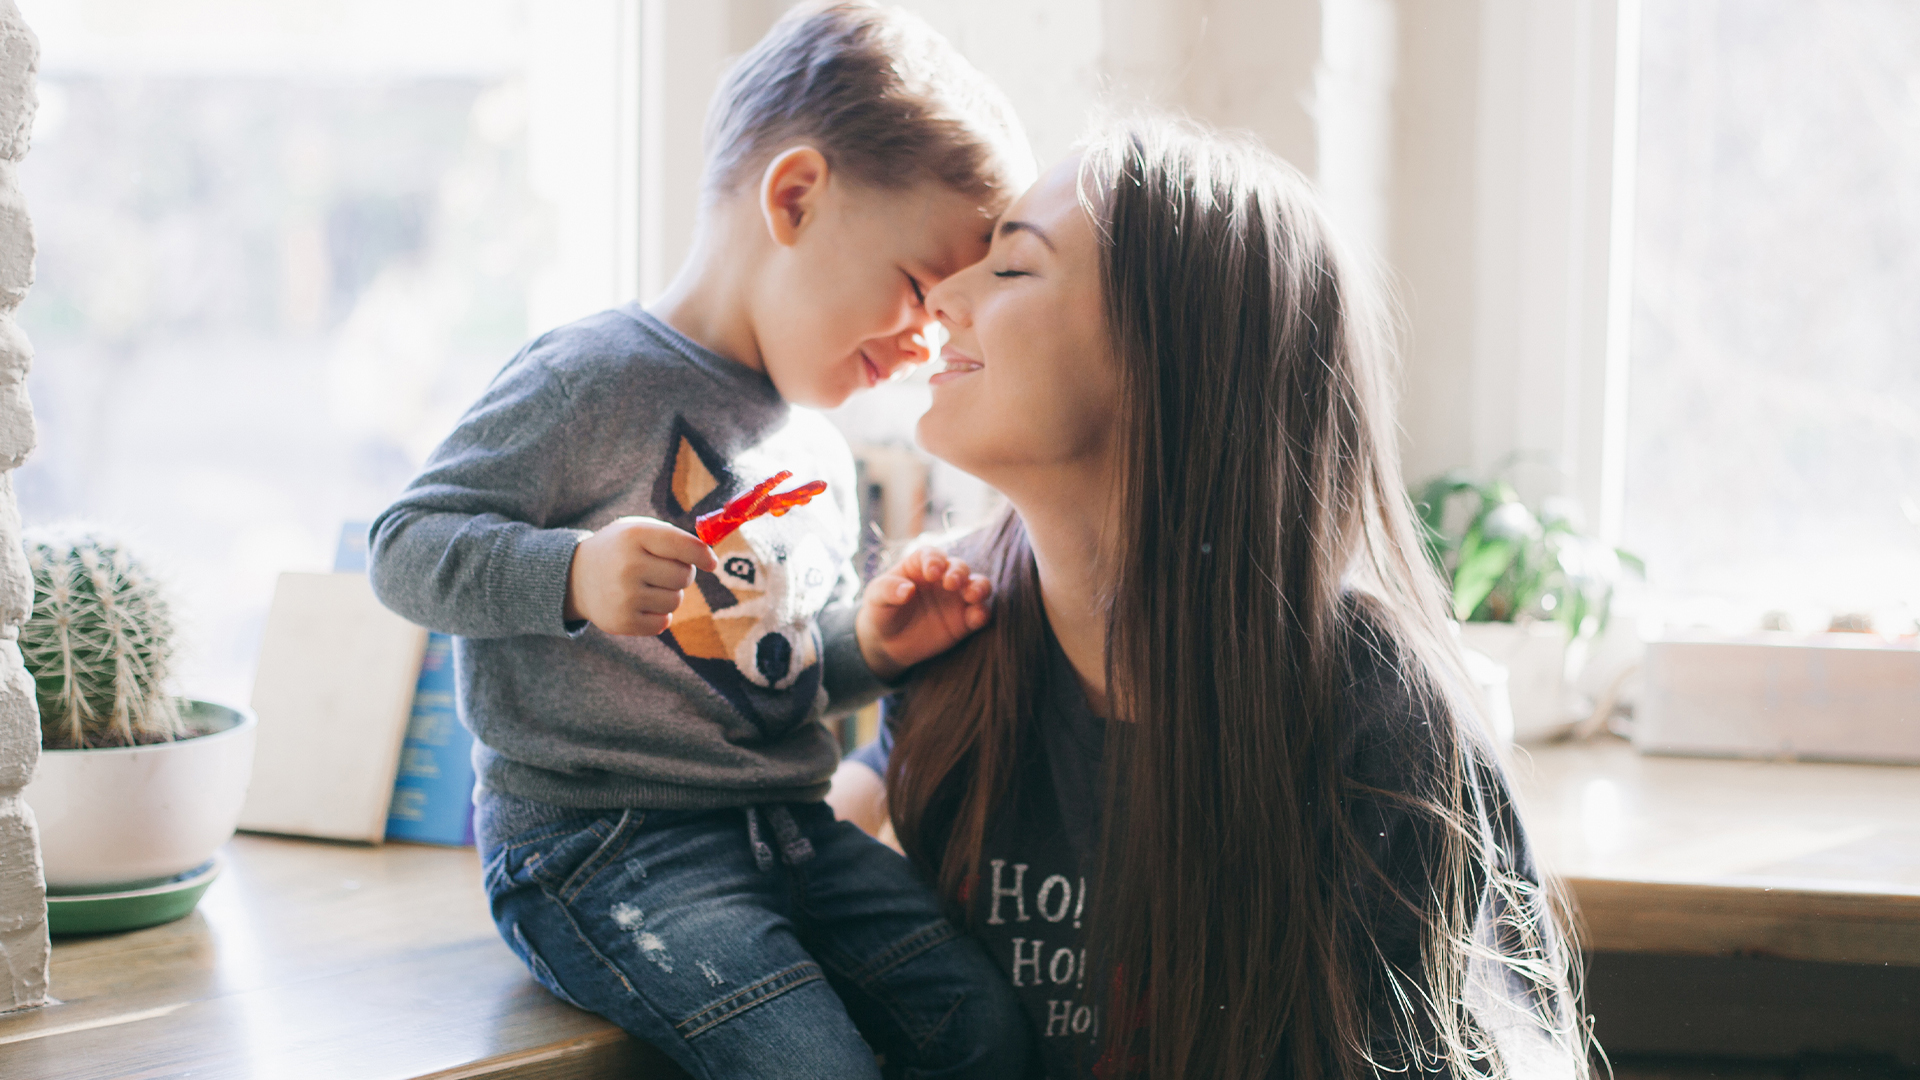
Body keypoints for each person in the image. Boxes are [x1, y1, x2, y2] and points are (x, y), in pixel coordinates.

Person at [830, 120, 1590, 1079]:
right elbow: (815, 837)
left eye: (1013, 270)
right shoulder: (956, 642)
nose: (942, 295)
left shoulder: (1385, 732)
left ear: (1173, 363)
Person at [368, 5, 1036, 1077]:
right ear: (796, 196)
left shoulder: (816, 449)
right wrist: (572, 575)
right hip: (600, 851)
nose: (928, 342)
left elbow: (756, 682)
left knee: (985, 1031)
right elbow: (404, 545)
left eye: (947, 313)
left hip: (787, 831)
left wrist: (871, 645)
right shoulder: (592, 378)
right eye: (919, 288)